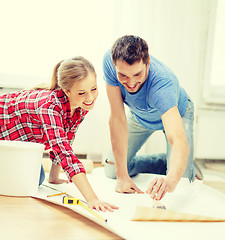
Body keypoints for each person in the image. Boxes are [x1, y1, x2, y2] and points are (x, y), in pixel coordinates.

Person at [0, 56, 118, 212]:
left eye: (94, 89)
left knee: (37, 179)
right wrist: (92, 199)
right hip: (4, 132)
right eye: (82, 93)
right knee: (23, 183)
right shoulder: (49, 107)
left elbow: (65, 139)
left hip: (15, 143)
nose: (90, 98)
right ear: (66, 91)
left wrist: (53, 178)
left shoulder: (81, 105)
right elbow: (64, 152)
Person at [103, 35, 202, 201]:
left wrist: (170, 180)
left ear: (147, 63)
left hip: (178, 113)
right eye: (123, 76)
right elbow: (117, 118)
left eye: (137, 74)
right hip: (140, 114)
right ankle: (165, 162)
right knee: (112, 171)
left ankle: (182, 163)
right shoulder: (109, 60)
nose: (131, 83)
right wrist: (122, 176)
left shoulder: (163, 84)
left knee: (181, 181)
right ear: (114, 66)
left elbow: (178, 139)